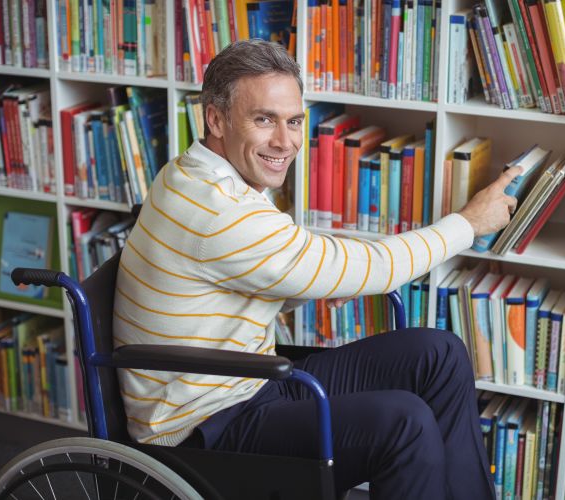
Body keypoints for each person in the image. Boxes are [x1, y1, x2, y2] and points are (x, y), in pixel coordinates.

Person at [113, 39, 519, 499]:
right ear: (215, 119)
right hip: (210, 425)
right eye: (264, 119)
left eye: (294, 121)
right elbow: (378, 266)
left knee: (438, 354)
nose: (285, 142)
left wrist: (319, 280)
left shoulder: (191, 173)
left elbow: (240, 274)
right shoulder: (217, 210)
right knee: (404, 423)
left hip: (250, 382)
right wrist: (468, 223)